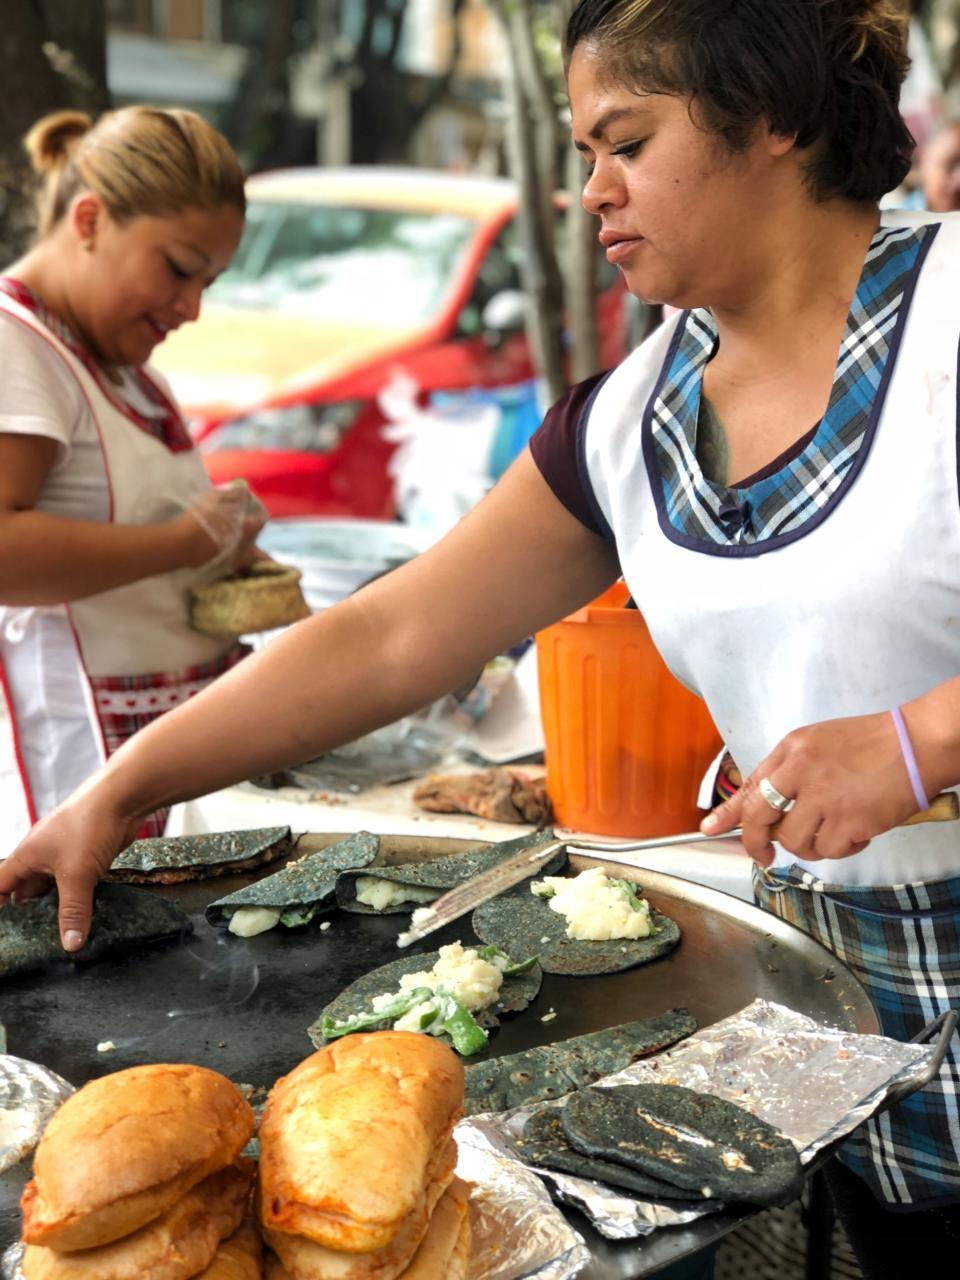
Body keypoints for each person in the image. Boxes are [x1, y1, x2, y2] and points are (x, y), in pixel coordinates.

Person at [1, 0, 957, 1270]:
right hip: (847, 1033)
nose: (592, 192)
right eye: (581, 155)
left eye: (626, 141)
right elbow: (394, 634)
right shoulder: (629, 424)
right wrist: (124, 789)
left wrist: (919, 736)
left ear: (770, 118)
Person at [0, 106, 266, 851]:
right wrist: (184, 545)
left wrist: (226, 561)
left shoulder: (126, 369)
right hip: (78, 774)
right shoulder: (14, 347)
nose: (191, 308)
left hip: (161, 763)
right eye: (179, 269)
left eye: (209, 281)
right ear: (89, 219)